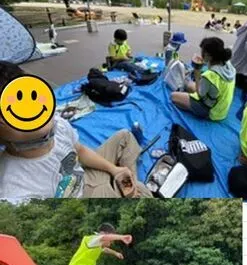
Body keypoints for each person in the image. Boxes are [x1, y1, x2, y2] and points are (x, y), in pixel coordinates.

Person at [0, 62, 150, 200]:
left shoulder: (58, 124)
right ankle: (134, 191)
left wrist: (115, 170)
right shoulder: (16, 190)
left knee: (125, 136)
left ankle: (129, 185)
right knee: (143, 193)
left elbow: (80, 150)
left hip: (85, 179)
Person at [171, 37, 236, 121]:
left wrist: (197, 70)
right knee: (189, 84)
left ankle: (194, 108)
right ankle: (186, 93)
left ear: (209, 56)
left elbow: (200, 94)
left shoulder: (209, 76)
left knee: (173, 96)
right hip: (221, 109)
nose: (201, 55)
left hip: (211, 112)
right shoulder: (228, 65)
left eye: (203, 53)